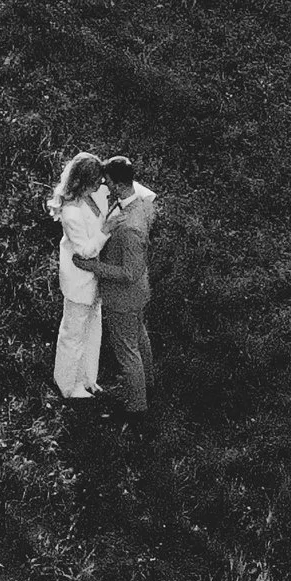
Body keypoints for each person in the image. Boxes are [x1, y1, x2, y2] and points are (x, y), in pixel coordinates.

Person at [95, 157, 158, 416]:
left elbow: (128, 273)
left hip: (123, 298)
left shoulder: (129, 228)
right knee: (140, 338)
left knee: (127, 352)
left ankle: (136, 408)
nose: (105, 186)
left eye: (107, 182)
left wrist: (92, 266)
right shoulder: (144, 203)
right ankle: (148, 384)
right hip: (139, 294)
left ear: (119, 185)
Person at [46, 152, 112, 402]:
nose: (100, 186)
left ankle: (87, 378)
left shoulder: (94, 197)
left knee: (93, 328)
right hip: (79, 279)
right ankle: (67, 384)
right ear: (82, 182)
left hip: (95, 278)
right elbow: (84, 249)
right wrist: (106, 231)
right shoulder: (71, 212)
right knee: (73, 332)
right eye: (95, 182)